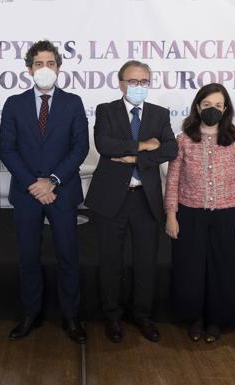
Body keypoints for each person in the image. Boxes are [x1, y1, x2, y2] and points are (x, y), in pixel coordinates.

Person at [0, 40, 89, 344]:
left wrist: (52, 180)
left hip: (62, 192)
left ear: (59, 68)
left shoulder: (73, 103)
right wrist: (34, 184)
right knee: (27, 257)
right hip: (27, 194)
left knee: (68, 256)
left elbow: (80, 148)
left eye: (51, 63)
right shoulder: (14, 104)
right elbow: (8, 151)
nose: (45, 69)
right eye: (39, 63)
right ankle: (30, 314)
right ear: (29, 69)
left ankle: (71, 317)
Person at [85, 60, 177, 343]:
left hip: (145, 200)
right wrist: (146, 144)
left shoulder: (159, 114)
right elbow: (104, 144)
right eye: (133, 81)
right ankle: (112, 316)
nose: (138, 87)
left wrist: (136, 158)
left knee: (145, 262)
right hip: (111, 199)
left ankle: (143, 315)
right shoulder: (106, 110)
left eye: (144, 82)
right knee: (111, 261)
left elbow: (171, 148)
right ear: (121, 82)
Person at [164, 83, 235, 343]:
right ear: (197, 107)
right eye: (207, 105)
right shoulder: (183, 139)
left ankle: (217, 320)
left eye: (218, 105)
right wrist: (171, 215)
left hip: (228, 215)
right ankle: (194, 318)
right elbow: (172, 180)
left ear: (225, 109)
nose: (212, 109)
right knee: (190, 269)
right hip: (190, 214)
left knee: (225, 270)